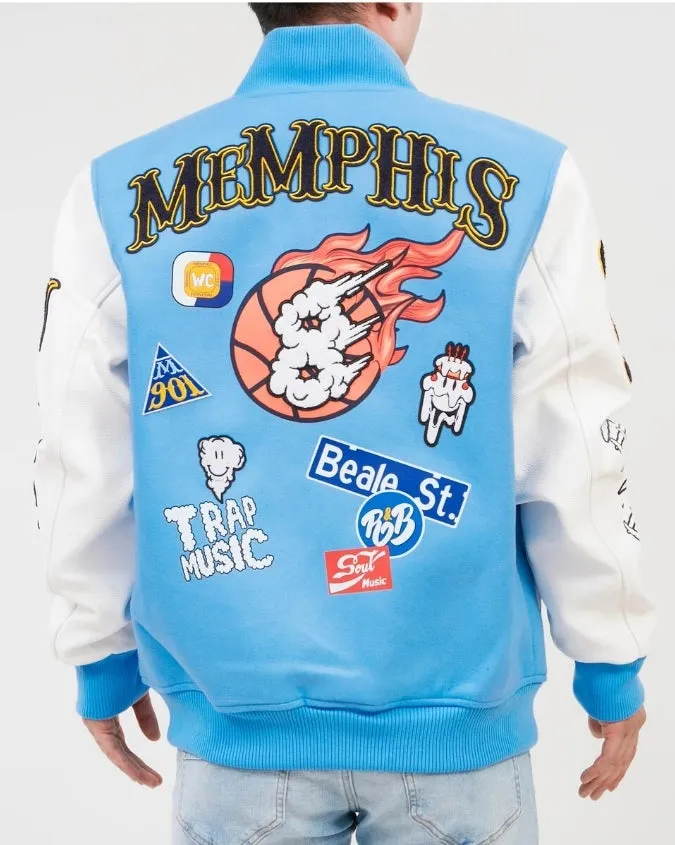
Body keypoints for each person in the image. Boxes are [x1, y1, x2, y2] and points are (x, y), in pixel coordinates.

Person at [35, 2, 655, 842]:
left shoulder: (116, 190)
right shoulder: (530, 177)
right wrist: (609, 654)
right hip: (457, 720)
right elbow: (576, 440)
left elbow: (76, 448)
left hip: (236, 718)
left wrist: (98, 650)